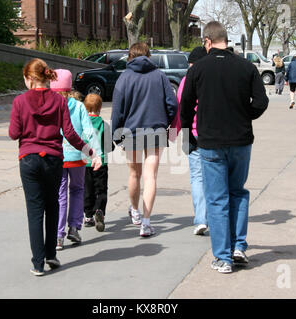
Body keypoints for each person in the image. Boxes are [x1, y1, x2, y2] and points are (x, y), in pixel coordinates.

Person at [180, 21, 269, 273]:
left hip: (210, 143)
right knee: (238, 192)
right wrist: (244, 115)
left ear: (207, 41)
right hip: (241, 141)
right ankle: (239, 246)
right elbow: (261, 102)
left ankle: (223, 257)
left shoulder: (197, 70)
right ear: (225, 40)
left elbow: (185, 108)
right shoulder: (246, 66)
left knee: (217, 198)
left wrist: (189, 136)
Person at [9, 59, 101, 276]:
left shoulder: (20, 101)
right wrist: (89, 151)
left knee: (35, 211)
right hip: (53, 160)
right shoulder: (59, 101)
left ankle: (38, 263)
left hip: (29, 159)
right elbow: (69, 133)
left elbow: (14, 133)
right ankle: (51, 254)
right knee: (52, 207)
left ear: (29, 78)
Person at [111, 42, 178, 237]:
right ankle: (147, 222)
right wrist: (166, 123)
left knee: (134, 174)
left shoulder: (124, 77)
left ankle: (135, 211)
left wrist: (116, 134)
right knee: (151, 177)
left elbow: (117, 110)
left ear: (129, 57)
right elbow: (172, 104)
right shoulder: (159, 76)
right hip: (155, 130)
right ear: (148, 56)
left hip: (131, 131)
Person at [50, 69, 102, 250]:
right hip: (77, 155)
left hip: (56, 155)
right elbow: (89, 131)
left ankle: (58, 235)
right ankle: (74, 227)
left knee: (60, 193)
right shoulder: (79, 106)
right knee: (78, 189)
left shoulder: (49, 104)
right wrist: (96, 153)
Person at [170, 46, 209, 236]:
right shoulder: (213, 79)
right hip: (212, 134)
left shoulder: (186, 81)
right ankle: (213, 216)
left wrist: (175, 132)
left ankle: (201, 219)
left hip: (192, 135)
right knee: (214, 177)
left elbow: (180, 109)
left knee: (197, 178)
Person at [83, 93, 114, 232]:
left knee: (87, 189)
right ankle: (99, 209)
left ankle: (88, 215)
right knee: (101, 190)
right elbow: (109, 146)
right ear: (100, 107)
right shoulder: (104, 125)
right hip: (102, 163)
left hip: (86, 163)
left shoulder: (83, 124)